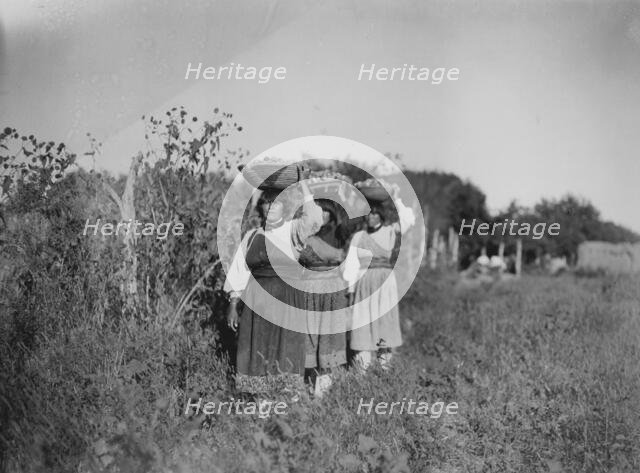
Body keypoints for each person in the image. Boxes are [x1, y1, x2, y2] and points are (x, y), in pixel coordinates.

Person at [224, 180, 323, 400]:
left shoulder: (293, 230)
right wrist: (233, 304)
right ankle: (261, 410)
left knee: (286, 352)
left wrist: (304, 185)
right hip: (257, 304)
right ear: (261, 208)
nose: (270, 208)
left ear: (284, 207)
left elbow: (315, 218)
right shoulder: (252, 236)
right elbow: (239, 270)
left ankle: (287, 414)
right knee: (256, 352)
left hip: (287, 302)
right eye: (266, 204)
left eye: (276, 204)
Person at [342, 185, 415, 370]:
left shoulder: (390, 231)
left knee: (384, 326)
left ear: (381, 215)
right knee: (362, 327)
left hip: (384, 284)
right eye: (368, 214)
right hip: (363, 285)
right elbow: (351, 266)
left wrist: (396, 198)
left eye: (375, 214)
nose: (371, 217)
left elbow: (409, 219)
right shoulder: (359, 236)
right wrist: (350, 293)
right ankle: (362, 373)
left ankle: (384, 371)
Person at [297, 199, 349, 398]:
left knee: (329, 335)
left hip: (333, 289)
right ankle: (306, 385)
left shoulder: (339, 234)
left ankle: (323, 388)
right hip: (309, 288)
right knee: (309, 334)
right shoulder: (305, 235)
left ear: (333, 214)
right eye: (318, 211)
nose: (322, 216)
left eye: (326, 212)